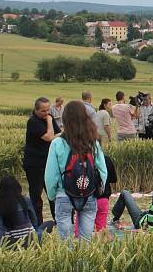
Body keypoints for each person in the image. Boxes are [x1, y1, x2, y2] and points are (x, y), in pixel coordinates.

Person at [44, 100, 108, 242]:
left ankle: (69, 263)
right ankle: (83, 264)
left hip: (63, 194)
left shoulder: (58, 143)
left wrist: (53, 195)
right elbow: (103, 171)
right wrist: (97, 190)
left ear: (65, 119)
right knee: (86, 240)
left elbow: (50, 175)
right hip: (89, 194)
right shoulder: (93, 143)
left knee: (65, 240)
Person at [23, 97, 60, 221]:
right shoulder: (33, 122)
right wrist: (49, 121)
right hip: (35, 164)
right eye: (43, 111)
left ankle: (58, 221)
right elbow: (50, 137)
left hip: (49, 162)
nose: (46, 113)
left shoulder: (48, 117)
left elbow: (58, 135)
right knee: (36, 195)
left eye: (48, 110)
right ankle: (37, 223)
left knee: (52, 193)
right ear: (36, 110)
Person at [0, 175, 55, 249]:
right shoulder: (25, 200)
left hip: (10, 243)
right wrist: (35, 233)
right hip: (30, 240)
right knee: (49, 223)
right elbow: (34, 220)